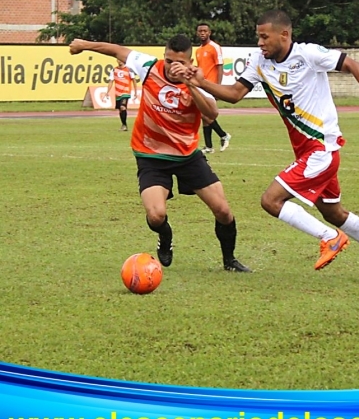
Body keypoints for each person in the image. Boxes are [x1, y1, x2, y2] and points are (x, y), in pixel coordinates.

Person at [185, 10, 359, 278]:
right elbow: (233, 95)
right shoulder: (259, 62)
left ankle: (329, 238)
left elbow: (353, 65)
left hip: (320, 148)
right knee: (333, 212)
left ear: (284, 35)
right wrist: (200, 82)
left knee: (271, 201)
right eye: (258, 37)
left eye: (264, 37)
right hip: (308, 151)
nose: (260, 42)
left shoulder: (308, 55)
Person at [69, 34, 251, 273]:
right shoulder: (148, 67)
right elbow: (116, 50)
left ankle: (230, 260)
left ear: (189, 61)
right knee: (156, 215)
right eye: (168, 60)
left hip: (187, 156)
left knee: (223, 211)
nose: (172, 66)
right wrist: (84, 45)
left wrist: (191, 84)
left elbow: (211, 114)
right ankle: (165, 238)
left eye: (179, 62)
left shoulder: (197, 79)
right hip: (151, 156)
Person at [196, 23, 231, 153]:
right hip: (201, 86)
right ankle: (209, 146)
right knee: (204, 116)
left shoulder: (215, 47)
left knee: (205, 114)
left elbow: (220, 66)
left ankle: (223, 135)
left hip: (211, 86)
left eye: (205, 31)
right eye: (200, 31)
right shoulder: (198, 50)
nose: (202, 33)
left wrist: (218, 87)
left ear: (209, 32)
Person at [106, 58, 137, 131]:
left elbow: (134, 80)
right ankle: (124, 124)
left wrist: (135, 92)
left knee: (123, 107)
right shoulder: (114, 70)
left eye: (121, 60)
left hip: (126, 92)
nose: (120, 61)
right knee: (120, 109)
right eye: (118, 59)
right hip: (117, 93)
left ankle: (124, 126)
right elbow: (111, 81)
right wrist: (107, 92)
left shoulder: (129, 69)